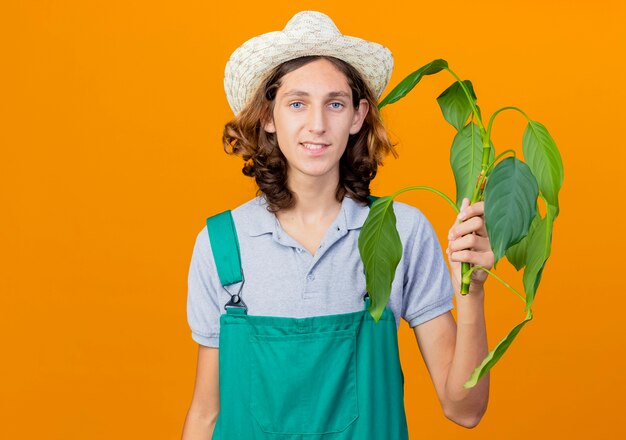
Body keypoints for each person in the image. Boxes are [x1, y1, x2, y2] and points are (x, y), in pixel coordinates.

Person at [181, 11, 493, 440]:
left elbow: (465, 409)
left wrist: (472, 293)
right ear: (268, 117)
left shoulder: (401, 232)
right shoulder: (221, 244)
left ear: (358, 115)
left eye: (335, 103)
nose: (317, 124)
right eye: (297, 103)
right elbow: (205, 414)